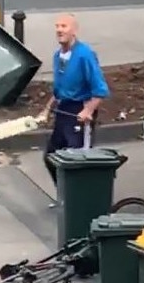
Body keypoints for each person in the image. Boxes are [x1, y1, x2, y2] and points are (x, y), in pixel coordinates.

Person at [38, 13, 110, 185]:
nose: (59, 30)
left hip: (79, 111)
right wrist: (46, 110)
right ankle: (66, 197)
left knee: (77, 161)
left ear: (74, 30)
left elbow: (100, 89)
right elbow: (59, 90)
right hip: (63, 110)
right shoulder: (58, 56)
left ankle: (83, 202)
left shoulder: (85, 55)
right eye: (57, 26)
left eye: (64, 26)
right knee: (51, 157)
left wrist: (88, 110)